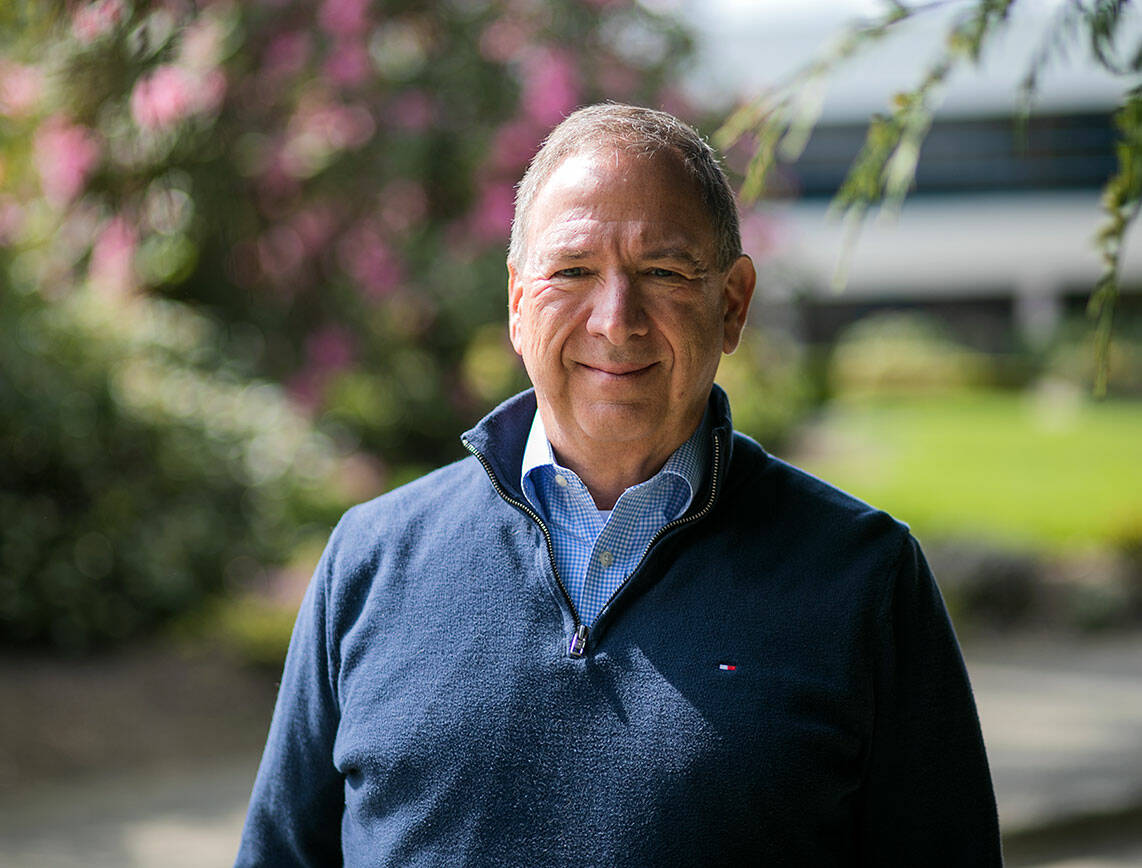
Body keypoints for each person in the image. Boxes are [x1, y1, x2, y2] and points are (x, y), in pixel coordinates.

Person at [235, 103, 1001, 866]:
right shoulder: (369, 562)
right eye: (572, 271)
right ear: (516, 302)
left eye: (663, 272)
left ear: (731, 304)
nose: (616, 319)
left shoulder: (863, 577)